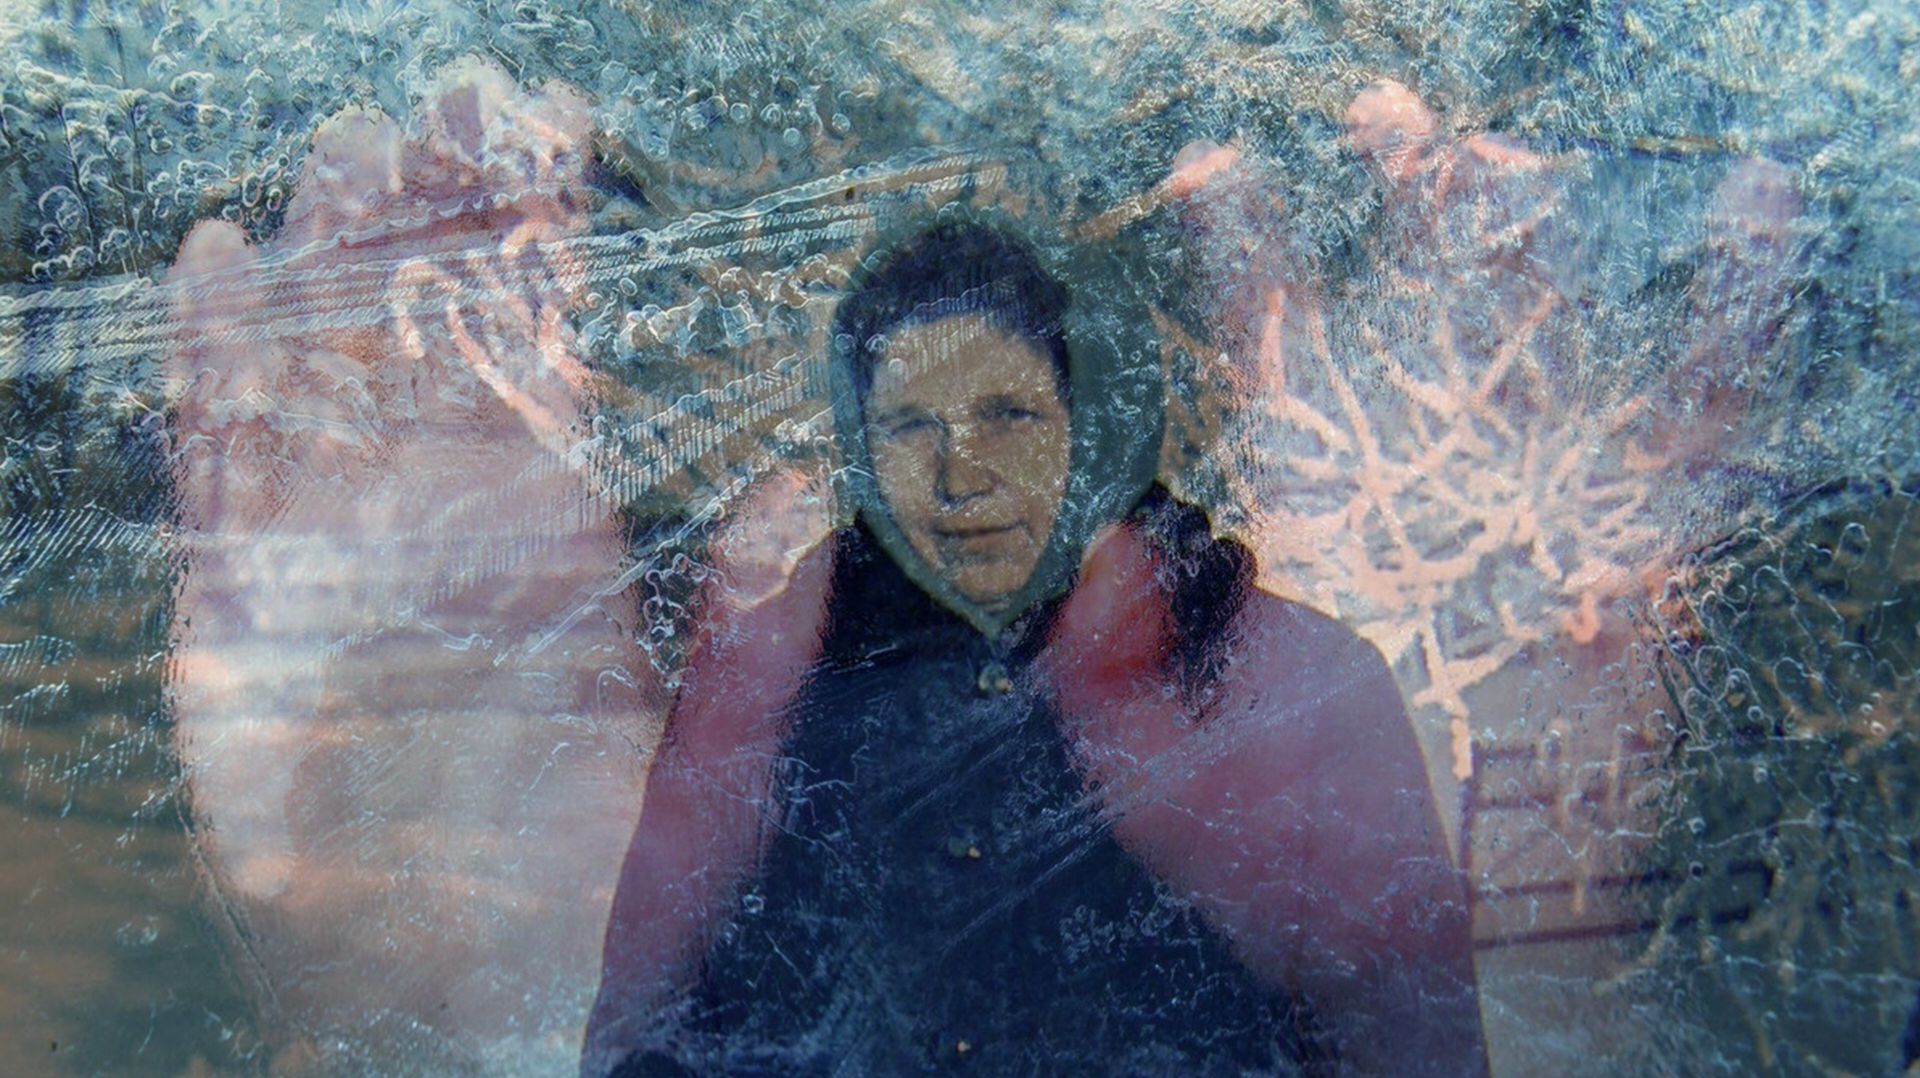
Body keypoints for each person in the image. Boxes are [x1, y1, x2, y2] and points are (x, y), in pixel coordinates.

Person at [582, 219, 1487, 1075]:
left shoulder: (1290, 680)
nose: (959, 477)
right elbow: (646, 1026)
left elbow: (1411, 1041)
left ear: (1089, 430)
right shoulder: (770, 686)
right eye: (909, 427)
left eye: (1008, 416)